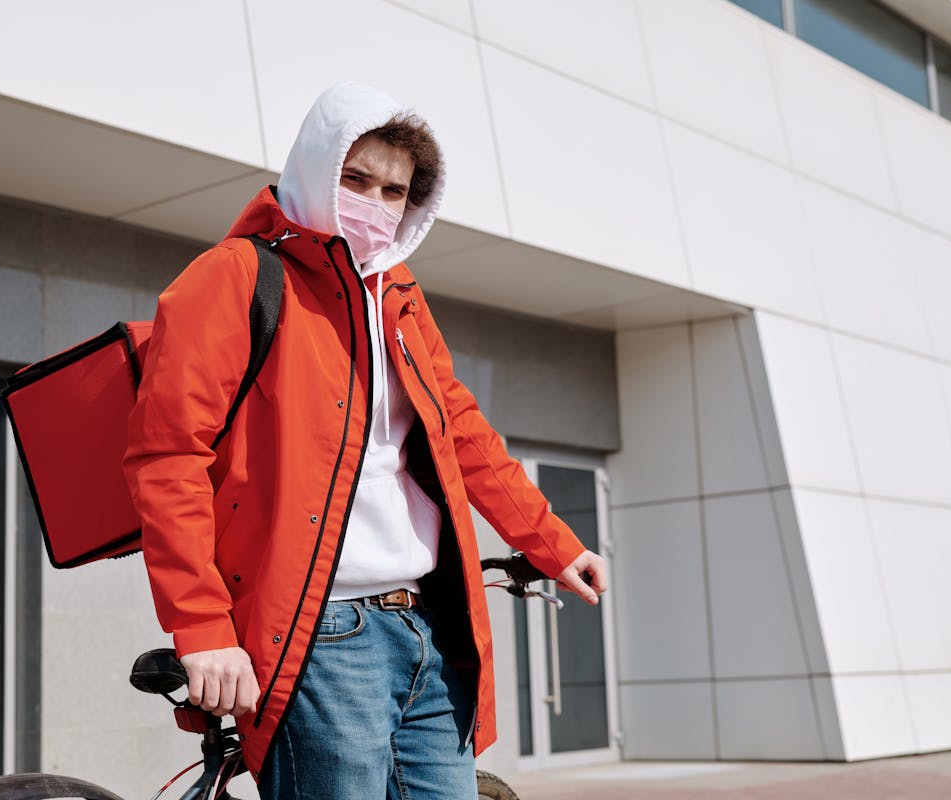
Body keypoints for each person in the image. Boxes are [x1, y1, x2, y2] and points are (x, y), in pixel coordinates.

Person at [123, 82, 608, 799]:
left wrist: (553, 543)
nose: (375, 204)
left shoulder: (399, 296)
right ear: (316, 169)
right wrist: (204, 628)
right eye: (355, 179)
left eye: (394, 190)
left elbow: (461, 431)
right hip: (321, 637)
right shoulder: (235, 275)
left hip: (427, 630)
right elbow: (169, 459)